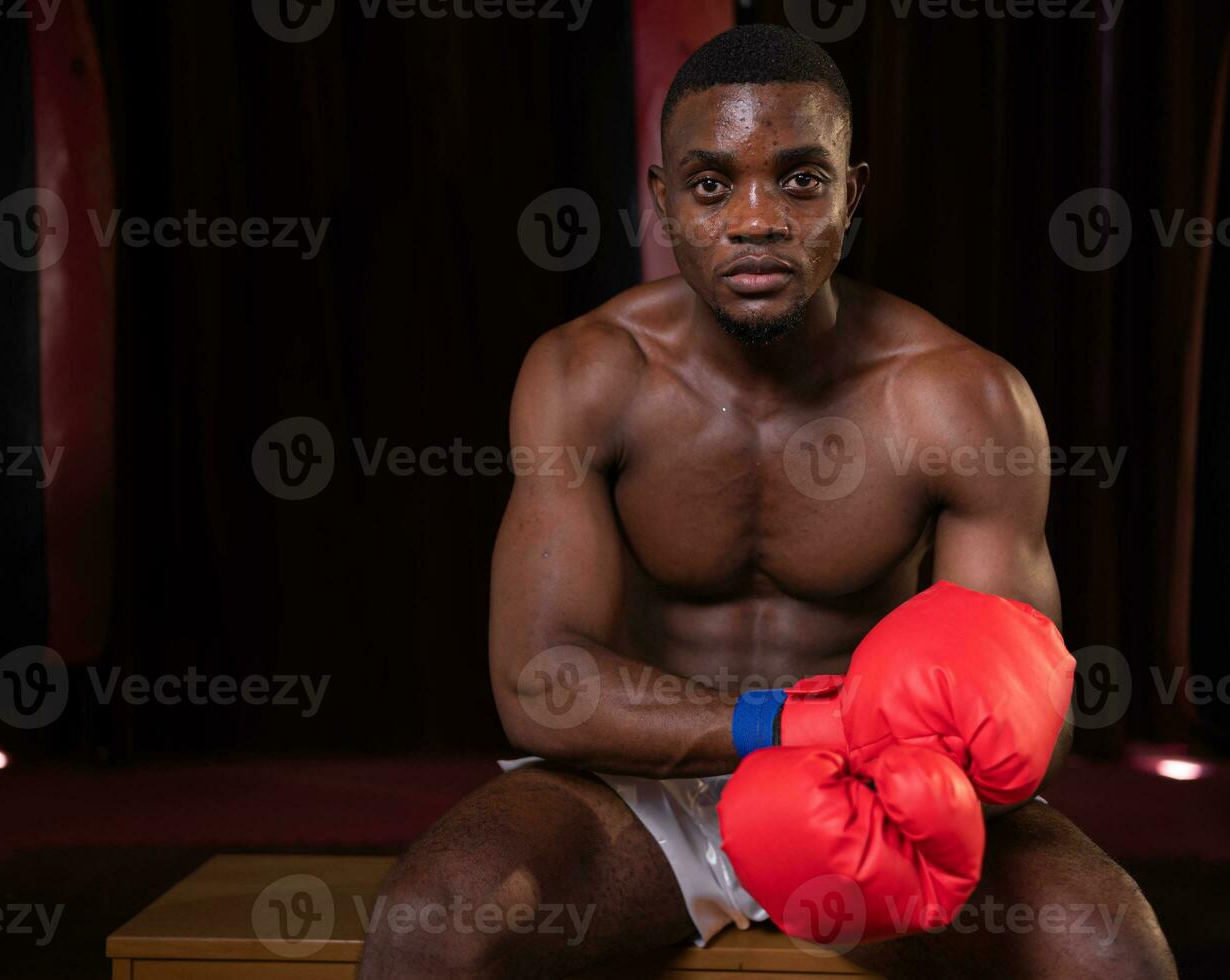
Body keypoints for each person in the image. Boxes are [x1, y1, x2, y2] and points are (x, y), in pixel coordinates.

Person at [359, 24, 1175, 979]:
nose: (755, 219)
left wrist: (895, 792)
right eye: (711, 185)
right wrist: (792, 727)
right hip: (644, 794)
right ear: (662, 202)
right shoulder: (589, 375)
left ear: (850, 194)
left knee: (1107, 951)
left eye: (798, 179)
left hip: (890, 799)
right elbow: (541, 683)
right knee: (432, 928)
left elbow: (1031, 719)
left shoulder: (961, 399)